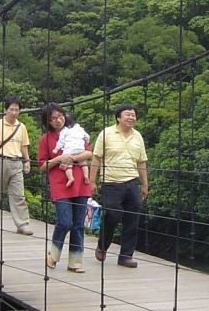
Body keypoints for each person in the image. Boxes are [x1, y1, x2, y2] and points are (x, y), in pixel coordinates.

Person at [88, 103, 148, 269]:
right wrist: (92, 181)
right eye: (127, 114)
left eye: (133, 115)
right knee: (113, 215)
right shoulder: (106, 133)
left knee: (133, 220)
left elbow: (141, 162)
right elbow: (96, 158)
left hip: (131, 182)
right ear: (118, 117)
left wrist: (144, 184)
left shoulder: (138, 136)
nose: (131, 117)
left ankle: (126, 256)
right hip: (111, 182)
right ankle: (102, 244)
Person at [38, 103, 93, 272]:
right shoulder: (45, 139)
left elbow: (89, 153)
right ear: (47, 121)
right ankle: (53, 255)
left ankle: (75, 262)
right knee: (64, 222)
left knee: (78, 224)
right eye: (52, 118)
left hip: (81, 183)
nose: (57, 120)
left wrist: (71, 159)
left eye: (60, 116)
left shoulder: (76, 131)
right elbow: (41, 166)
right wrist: (59, 159)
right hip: (60, 183)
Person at [0, 96, 33, 236]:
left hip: (16, 162)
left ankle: (22, 225)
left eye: (16, 110)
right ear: (5, 110)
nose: (13, 112)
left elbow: (24, 146)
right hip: (1, 160)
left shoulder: (21, 127)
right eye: (11, 109)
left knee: (19, 195)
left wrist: (27, 161)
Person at [54, 114, 90, 188]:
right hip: (80, 148)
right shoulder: (79, 128)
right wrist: (86, 141)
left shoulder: (64, 130)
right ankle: (86, 176)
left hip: (69, 150)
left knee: (67, 164)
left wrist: (56, 149)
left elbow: (61, 141)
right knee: (83, 163)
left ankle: (70, 178)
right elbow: (87, 136)